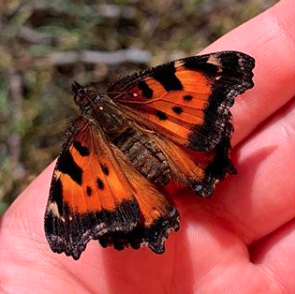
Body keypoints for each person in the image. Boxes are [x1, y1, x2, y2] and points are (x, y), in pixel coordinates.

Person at [0, 0, 294, 292]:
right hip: (175, 152)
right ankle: (189, 180)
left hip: (167, 162)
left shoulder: (79, 146)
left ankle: (193, 177)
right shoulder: (138, 93)